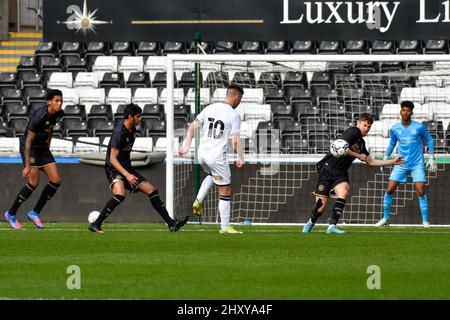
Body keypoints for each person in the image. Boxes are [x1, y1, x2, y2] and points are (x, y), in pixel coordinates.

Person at [89, 103, 189, 233]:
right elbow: (113, 159)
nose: (140, 118)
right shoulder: (119, 133)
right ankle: (96, 224)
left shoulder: (132, 130)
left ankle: (171, 223)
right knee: (120, 194)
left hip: (126, 168)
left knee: (152, 190)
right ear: (130, 117)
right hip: (114, 169)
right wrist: (127, 175)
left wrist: (130, 176)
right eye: (138, 116)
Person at [302, 113, 404, 234]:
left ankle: (332, 227)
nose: (366, 128)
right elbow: (341, 146)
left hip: (340, 173)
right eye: (364, 125)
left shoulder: (362, 144)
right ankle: (310, 223)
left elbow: (370, 161)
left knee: (344, 191)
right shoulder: (353, 131)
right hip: (327, 169)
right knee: (320, 207)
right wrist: (357, 155)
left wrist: (392, 161)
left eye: (369, 126)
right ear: (358, 123)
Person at [179, 84, 244, 234]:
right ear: (237, 97)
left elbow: (191, 127)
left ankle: (198, 200)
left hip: (202, 154)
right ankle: (225, 227)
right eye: (240, 99)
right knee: (225, 189)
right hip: (217, 157)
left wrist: (186, 146)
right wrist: (241, 157)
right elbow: (235, 141)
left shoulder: (210, 108)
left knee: (212, 175)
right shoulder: (233, 115)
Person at [4, 89, 64, 230]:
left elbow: (50, 128)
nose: (60, 103)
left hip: (43, 148)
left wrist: (48, 145)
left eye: (61, 100)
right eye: (57, 101)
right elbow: (28, 141)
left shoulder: (60, 113)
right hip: (30, 148)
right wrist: (26, 165)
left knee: (56, 180)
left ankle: (34, 212)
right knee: (33, 183)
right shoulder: (39, 116)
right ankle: (11, 213)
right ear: (49, 102)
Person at [375, 101, 436, 228]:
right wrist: (385, 158)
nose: (405, 112)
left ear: (411, 112)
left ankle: (425, 221)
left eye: (408, 110)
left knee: (420, 191)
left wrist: (431, 157)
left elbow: (429, 140)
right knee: (390, 189)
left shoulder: (419, 127)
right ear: (400, 111)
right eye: (403, 110)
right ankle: (385, 218)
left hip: (417, 163)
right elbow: (392, 143)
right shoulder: (395, 129)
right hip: (401, 163)